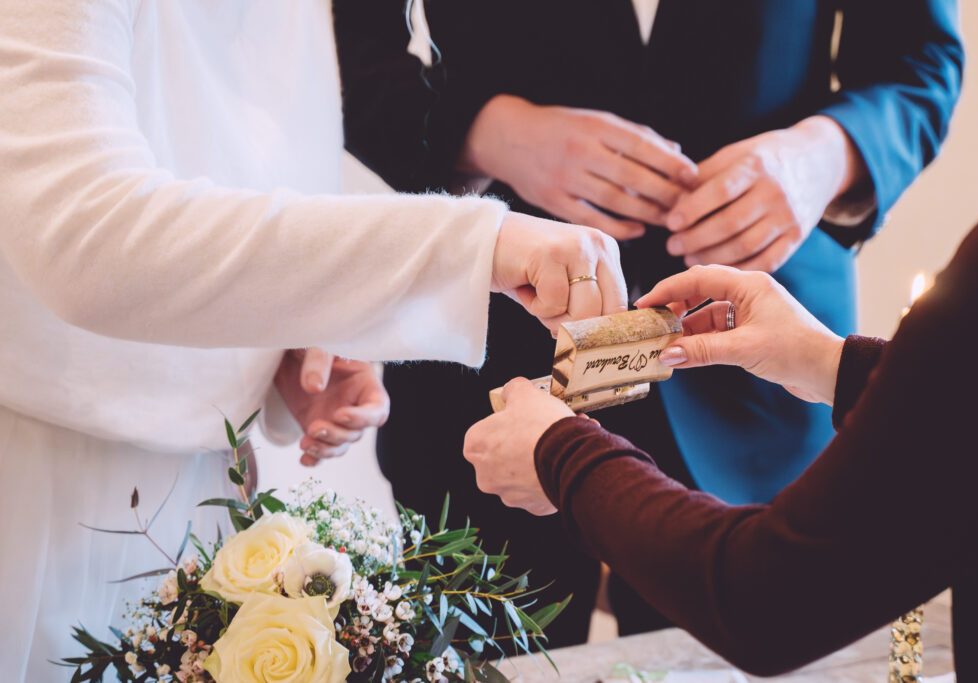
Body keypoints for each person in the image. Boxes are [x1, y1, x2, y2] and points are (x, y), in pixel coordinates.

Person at [0, 2, 628, 679]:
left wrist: (292, 339)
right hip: (42, 501)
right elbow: (88, 237)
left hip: (206, 494)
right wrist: (477, 243)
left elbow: (236, 161)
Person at [336, 0, 964, 643]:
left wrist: (824, 157)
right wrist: (484, 130)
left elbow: (920, 60)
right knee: (477, 650)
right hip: (490, 351)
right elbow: (346, 51)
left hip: (758, 361)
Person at [463, 7, 978, 679]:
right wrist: (828, 362)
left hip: (752, 420)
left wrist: (825, 154)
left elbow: (770, 600)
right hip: (490, 369)